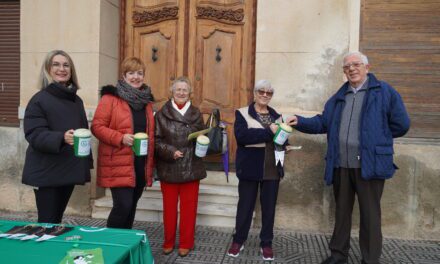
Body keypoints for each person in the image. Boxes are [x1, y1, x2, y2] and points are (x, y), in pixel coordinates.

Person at [286, 51, 410, 264]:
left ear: (366, 67)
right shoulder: (339, 96)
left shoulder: (384, 92)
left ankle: (370, 259)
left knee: (370, 215)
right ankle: (338, 254)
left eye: (356, 64)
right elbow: (323, 123)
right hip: (341, 164)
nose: (351, 69)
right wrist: (299, 120)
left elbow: (401, 124)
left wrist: (377, 139)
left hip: (369, 165)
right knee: (342, 212)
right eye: (347, 67)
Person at [22, 50, 92, 224]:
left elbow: (84, 131)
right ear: (48, 69)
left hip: (68, 170)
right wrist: (61, 138)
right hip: (47, 172)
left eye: (66, 65)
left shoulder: (77, 101)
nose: (62, 69)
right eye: (56, 64)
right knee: (47, 223)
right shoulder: (39, 99)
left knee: (56, 221)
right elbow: (34, 134)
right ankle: (41, 252)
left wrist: (86, 163)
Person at [91, 57, 155, 229]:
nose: (136, 77)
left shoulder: (147, 103)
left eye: (139, 73)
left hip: (140, 164)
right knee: (123, 206)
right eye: (131, 73)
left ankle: (125, 245)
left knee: (131, 206)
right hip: (118, 164)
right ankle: (111, 244)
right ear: (124, 76)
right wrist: (121, 138)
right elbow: (97, 127)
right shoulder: (110, 98)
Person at [227, 80, 286, 261]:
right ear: (254, 93)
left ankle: (266, 243)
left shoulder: (277, 116)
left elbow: (280, 138)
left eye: (269, 93)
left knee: (269, 209)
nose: (265, 95)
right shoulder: (243, 113)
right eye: (262, 91)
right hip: (249, 167)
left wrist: (286, 142)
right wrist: (269, 132)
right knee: (245, 206)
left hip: (271, 168)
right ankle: (238, 240)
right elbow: (243, 137)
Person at [155, 76, 207, 257]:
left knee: (189, 208)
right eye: (178, 89)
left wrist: (203, 140)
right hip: (169, 166)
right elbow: (156, 140)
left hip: (191, 166)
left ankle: (186, 242)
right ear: (172, 91)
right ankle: (168, 241)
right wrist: (170, 151)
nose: (182, 92)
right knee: (169, 209)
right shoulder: (162, 113)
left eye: (185, 90)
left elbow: (201, 136)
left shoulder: (196, 112)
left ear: (189, 92)